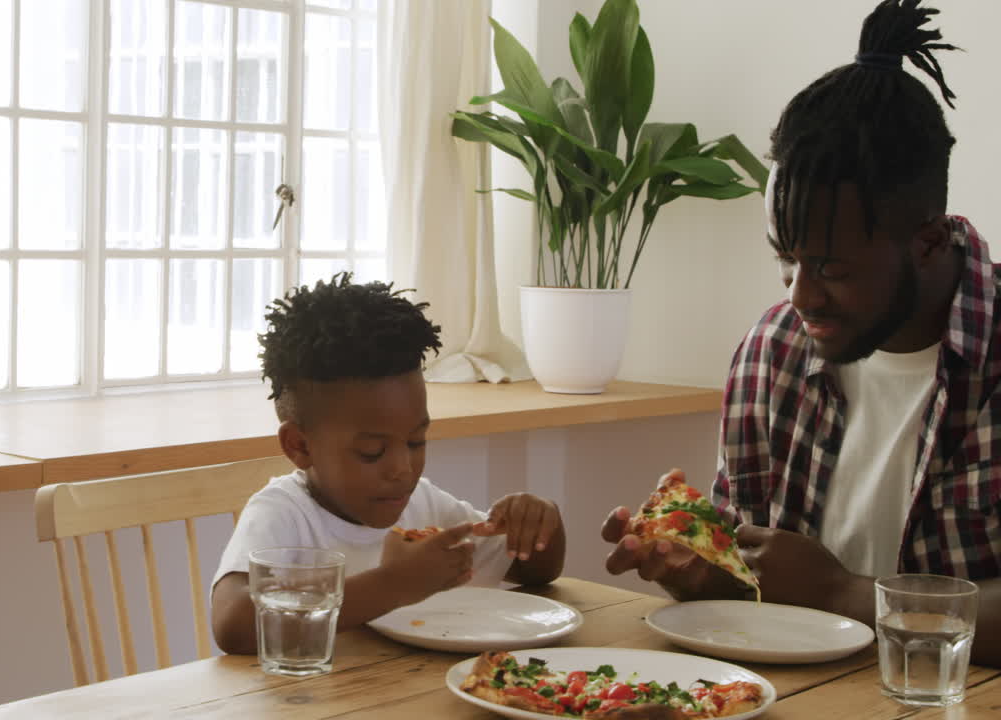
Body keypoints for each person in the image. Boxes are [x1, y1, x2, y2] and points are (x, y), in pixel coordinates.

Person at [601, 0, 999, 665]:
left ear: (928, 243)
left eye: (831, 268)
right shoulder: (771, 354)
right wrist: (700, 567)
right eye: (785, 259)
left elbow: (823, 595)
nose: (800, 296)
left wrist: (846, 593)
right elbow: (755, 582)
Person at [211, 273, 566, 655]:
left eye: (416, 441)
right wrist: (393, 584)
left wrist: (540, 525)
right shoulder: (284, 514)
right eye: (371, 451)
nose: (402, 468)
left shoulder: (423, 507)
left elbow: (536, 571)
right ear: (299, 446)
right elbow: (233, 624)